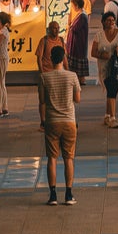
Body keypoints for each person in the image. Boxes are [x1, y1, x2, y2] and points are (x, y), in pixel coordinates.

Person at [38, 44, 80, 205]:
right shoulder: (72, 76)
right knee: (69, 158)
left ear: (50, 59)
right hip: (69, 121)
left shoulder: (44, 77)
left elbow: (42, 100)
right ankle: (69, 194)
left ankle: (53, 195)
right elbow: (77, 99)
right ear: (63, 58)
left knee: (52, 158)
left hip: (52, 122)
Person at [91, 8, 118, 127]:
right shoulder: (99, 36)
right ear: (103, 22)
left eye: (113, 20)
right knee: (111, 91)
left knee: (112, 90)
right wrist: (102, 55)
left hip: (117, 66)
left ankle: (109, 116)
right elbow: (93, 52)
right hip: (104, 67)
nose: (111, 22)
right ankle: (111, 118)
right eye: (108, 20)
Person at [66, 0, 90, 80]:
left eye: (73, 5)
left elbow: (76, 28)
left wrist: (70, 26)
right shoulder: (80, 14)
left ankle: (81, 79)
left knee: (78, 59)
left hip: (78, 43)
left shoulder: (82, 16)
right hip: (77, 42)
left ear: (76, 5)